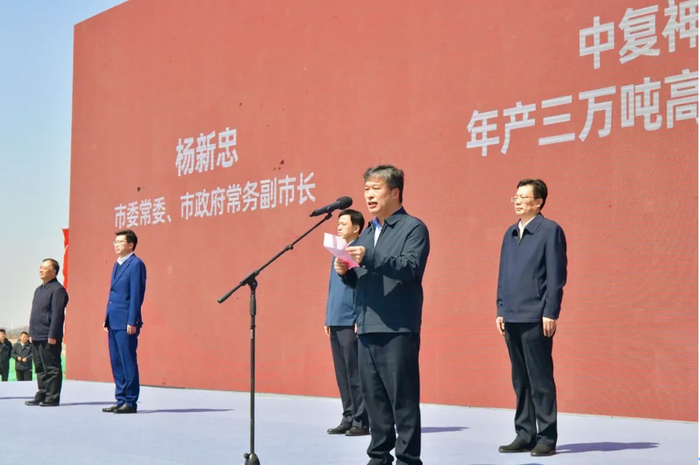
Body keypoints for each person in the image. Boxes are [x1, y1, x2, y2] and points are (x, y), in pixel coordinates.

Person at [335, 165, 430, 465]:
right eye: (366, 189)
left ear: (395, 192)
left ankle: (407, 459)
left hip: (397, 327)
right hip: (367, 326)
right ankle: (378, 456)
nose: (369, 195)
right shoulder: (367, 232)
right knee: (374, 399)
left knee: (403, 400)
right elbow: (362, 280)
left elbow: (410, 267)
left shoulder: (413, 228)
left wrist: (370, 257)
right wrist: (346, 272)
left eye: (376, 188)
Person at [496, 179, 567, 457]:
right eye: (516, 196)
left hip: (536, 316)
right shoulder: (510, 233)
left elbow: (556, 275)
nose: (517, 200)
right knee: (521, 379)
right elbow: (503, 274)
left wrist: (550, 311)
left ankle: (546, 437)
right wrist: (501, 308)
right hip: (511, 316)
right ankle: (524, 434)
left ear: (538, 202)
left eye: (524, 197)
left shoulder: (550, 230)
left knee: (540, 379)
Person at [325, 208, 370, 437]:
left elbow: (361, 286)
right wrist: (328, 317)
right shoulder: (338, 252)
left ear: (357, 227)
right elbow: (333, 289)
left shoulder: (359, 252)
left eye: (344, 223)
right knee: (342, 373)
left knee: (355, 372)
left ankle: (361, 421)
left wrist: (358, 317)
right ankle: (348, 416)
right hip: (336, 319)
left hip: (351, 319)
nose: (339, 227)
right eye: (338, 223)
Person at [102, 229, 147, 414]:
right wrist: (107, 317)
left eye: (120, 242)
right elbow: (113, 293)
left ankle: (130, 401)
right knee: (116, 361)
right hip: (113, 320)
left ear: (130, 244)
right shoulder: (117, 264)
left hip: (126, 321)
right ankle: (120, 398)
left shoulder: (136, 264)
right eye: (115, 242)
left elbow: (136, 294)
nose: (116, 245)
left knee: (127, 361)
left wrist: (132, 320)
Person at [26, 259, 69, 406]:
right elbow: (35, 314)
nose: (41, 270)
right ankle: (42, 393)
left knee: (51, 367)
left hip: (48, 335)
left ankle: (52, 397)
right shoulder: (39, 290)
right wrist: (31, 333)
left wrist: (53, 335)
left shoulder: (58, 290)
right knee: (40, 368)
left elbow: (57, 315)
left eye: (45, 268)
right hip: (37, 334)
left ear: (54, 272)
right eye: (40, 267)